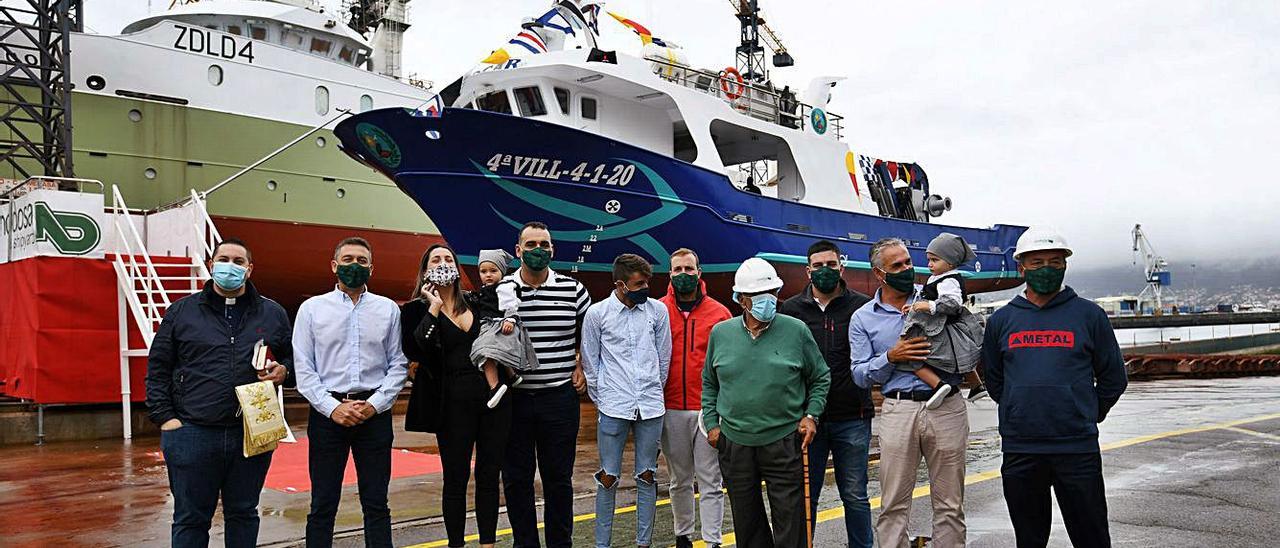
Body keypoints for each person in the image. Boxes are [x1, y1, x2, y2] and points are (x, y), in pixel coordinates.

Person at [983, 227, 1128, 548]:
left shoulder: (1090, 315)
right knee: (1030, 539)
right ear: (1021, 268)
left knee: (1091, 537)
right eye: (1036, 263)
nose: (1046, 268)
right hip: (1022, 448)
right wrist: (1017, 408)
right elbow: (993, 379)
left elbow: (1113, 378)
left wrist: (1087, 411)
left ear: (1065, 264)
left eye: (1054, 261)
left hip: (1077, 449)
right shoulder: (1001, 321)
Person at [146, 238, 291, 548]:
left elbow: (291, 358)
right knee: (190, 518)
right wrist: (166, 419)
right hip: (193, 431)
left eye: (238, 262)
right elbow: (158, 367)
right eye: (223, 259)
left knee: (243, 513)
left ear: (250, 269)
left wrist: (282, 372)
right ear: (211, 266)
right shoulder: (181, 312)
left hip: (251, 431)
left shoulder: (272, 313)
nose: (230, 266)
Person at [703, 257, 831, 548]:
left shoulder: (796, 330)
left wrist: (811, 415)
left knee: (791, 521)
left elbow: (821, 377)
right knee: (747, 524)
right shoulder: (721, 334)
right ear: (741, 300)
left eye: (772, 294)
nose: (768, 301)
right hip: (735, 444)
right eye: (759, 297)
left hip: (784, 440)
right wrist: (712, 424)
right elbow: (710, 383)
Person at [850, 237, 968, 548]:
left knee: (950, 504)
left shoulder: (935, 296)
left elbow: (967, 338)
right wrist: (891, 356)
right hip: (899, 409)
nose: (907, 268)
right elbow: (860, 375)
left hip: (947, 406)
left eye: (908, 261)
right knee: (892, 505)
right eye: (897, 265)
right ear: (879, 273)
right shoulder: (863, 318)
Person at [293, 236, 409, 548]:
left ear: (372, 267)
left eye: (361, 261)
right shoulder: (312, 310)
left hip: (374, 416)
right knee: (322, 504)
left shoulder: (387, 310)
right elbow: (304, 368)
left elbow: (398, 363)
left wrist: (374, 404)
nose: (354, 266)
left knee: (376, 503)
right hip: (327, 416)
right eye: (347, 260)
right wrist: (331, 407)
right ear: (334, 266)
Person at [404, 244, 512, 548]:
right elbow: (417, 350)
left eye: (448, 258)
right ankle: (456, 544)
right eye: (436, 260)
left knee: (489, 476)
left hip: (492, 401)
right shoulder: (415, 310)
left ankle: (488, 543)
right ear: (425, 270)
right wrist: (434, 307)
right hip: (450, 405)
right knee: (455, 478)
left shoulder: (478, 302)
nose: (443, 263)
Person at [778, 240, 874, 548]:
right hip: (808, 421)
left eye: (831, 265)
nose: (825, 271)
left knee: (856, 496)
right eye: (818, 266)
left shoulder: (862, 305)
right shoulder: (791, 309)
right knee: (807, 497)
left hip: (853, 416)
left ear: (841, 266)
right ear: (808, 271)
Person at [501, 221, 592, 548]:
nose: (538, 250)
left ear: (552, 249)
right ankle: (525, 544)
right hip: (516, 400)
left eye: (544, 244)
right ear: (518, 251)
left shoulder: (574, 290)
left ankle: (560, 544)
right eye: (531, 244)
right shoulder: (504, 290)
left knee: (558, 480)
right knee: (516, 480)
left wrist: (582, 364)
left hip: (559, 400)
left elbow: (590, 336)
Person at [581, 254, 672, 548]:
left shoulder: (657, 311)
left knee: (647, 475)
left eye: (647, 282)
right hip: (613, 406)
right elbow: (590, 365)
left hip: (650, 405)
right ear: (621, 285)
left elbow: (663, 358)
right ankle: (602, 545)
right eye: (639, 283)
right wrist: (604, 398)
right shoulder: (597, 314)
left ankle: (643, 543)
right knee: (607, 477)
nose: (646, 287)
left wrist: (651, 389)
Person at [659, 248, 731, 548]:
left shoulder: (720, 313)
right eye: (678, 270)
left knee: (711, 480)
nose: (684, 275)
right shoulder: (658, 310)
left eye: (689, 269)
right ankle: (683, 535)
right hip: (670, 408)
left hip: (707, 410)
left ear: (699, 273)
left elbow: (730, 363)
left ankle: (712, 540)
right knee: (679, 480)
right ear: (670, 274)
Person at [898, 232, 988, 408]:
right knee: (962, 357)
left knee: (913, 354)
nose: (930, 264)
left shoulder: (949, 281)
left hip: (943, 328)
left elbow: (952, 303)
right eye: (929, 259)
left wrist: (928, 306)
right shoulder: (940, 277)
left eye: (934, 260)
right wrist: (916, 305)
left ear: (951, 262)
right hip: (947, 326)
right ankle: (976, 386)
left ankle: (938, 385)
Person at [468, 248, 534, 408]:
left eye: (493, 270)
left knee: (484, 353)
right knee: (498, 352)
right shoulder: (484, 290)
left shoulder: (504, 286)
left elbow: (510, 304)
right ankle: (512, 376)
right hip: (489, 325)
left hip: (498, 324)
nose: (488, 275)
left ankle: (495, 387)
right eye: (483, 271)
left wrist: (510, 319)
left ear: (502, 271)